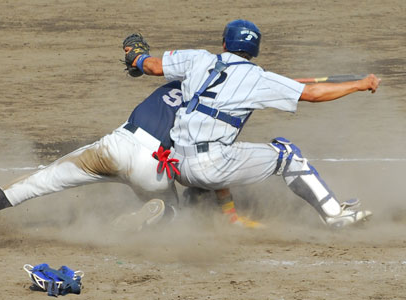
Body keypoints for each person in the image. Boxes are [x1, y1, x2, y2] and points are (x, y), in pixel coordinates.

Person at [122, 19, 381, 228]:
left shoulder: (198, 60)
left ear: (224, 42)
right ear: (255, 49)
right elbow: (313, 94)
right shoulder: (258, 77)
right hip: (208, 167)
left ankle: (199, 215)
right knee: (286, 153)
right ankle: (335, 215)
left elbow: (153, 66)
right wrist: (360, 84)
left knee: (218, 150)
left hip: (176, 167)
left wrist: (137, 57)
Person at [0, 81, 184, 231]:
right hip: (155, 167)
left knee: (41, 181)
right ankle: (155, 218)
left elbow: (150, 65)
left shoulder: (177, 81)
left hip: (115, 149)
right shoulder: (208, 105)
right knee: (171, 209)